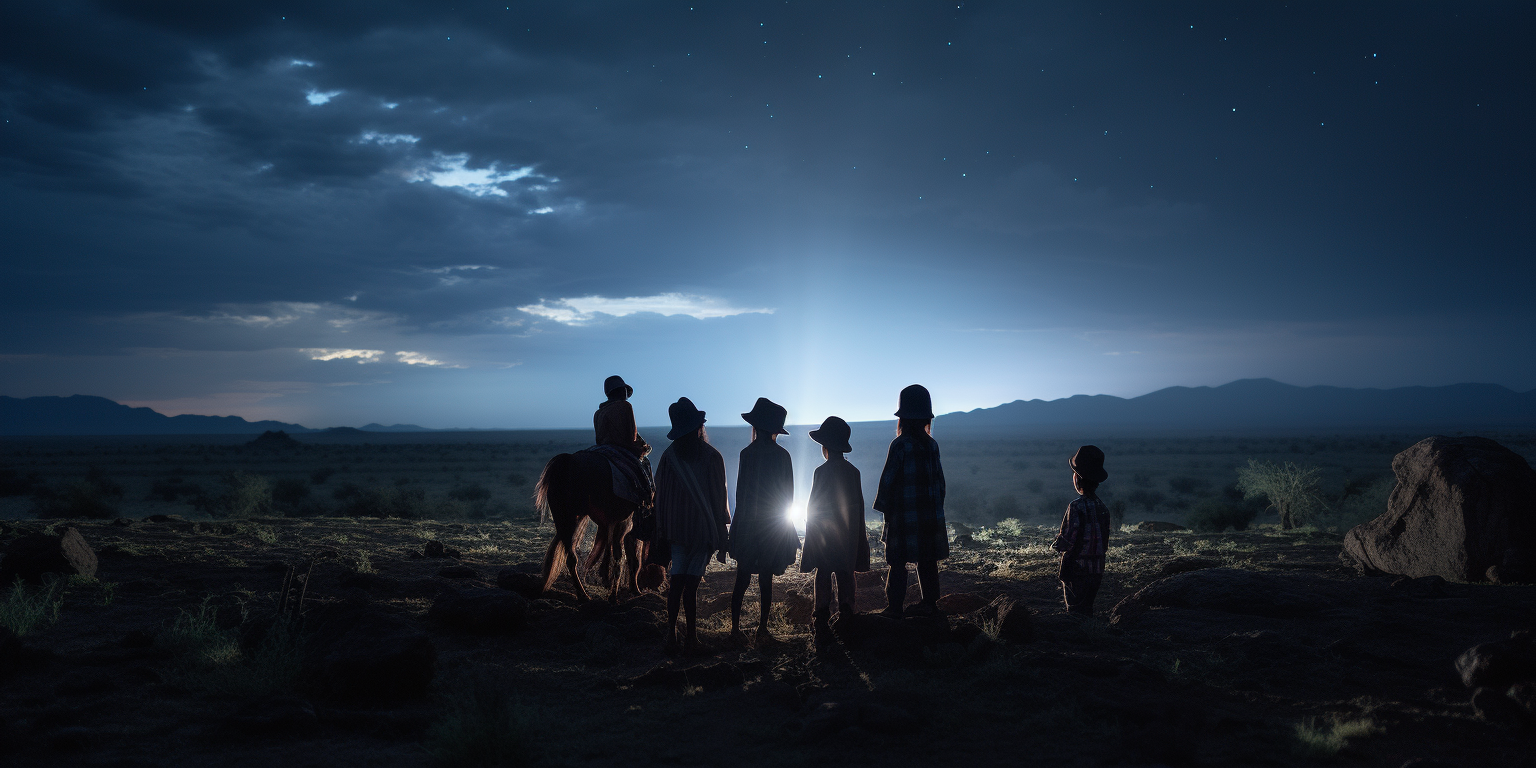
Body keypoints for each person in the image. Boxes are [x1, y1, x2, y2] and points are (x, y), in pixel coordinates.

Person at [653, 397, 730, 654]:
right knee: (692, 585)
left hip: (675, 532)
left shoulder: (667, 457)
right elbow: (720, 502)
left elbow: (659, 498)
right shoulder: (712, 457)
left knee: (677, 583)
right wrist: (722, 537)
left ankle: (672, 633)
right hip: (702, 532)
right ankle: (692, 638)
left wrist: (662, 532)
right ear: (699, 426)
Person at [728, 398, 801, 644]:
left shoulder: (746, 454)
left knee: (743, 576)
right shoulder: (783, 456)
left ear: (756, 427)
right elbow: (788, 497)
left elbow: (740, 495)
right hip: (772, 526)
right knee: (766, 578)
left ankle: (735, 628)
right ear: (775, 430)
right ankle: (762, 629)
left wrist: (736, 528)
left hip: (748, 524)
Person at [874, 384, 948, 618]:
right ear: (927, 417)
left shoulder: (899, 445)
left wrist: (885, 509)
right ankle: (930, 605)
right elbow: (940, 482)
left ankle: (895, 607)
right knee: (927, 561)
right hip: (929, 517)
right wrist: (936, 508)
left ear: (902, 418)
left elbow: (887, 481)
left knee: (897, 562)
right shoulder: (932, 445)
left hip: (903, 517)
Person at [801, 416, 870, 642]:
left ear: (825, 446)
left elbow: (813, 506)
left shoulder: (820, 472)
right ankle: (847, 613)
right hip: (847, 536)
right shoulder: (854, 472)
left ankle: (821, 615)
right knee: (845, 573)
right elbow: (857, 509)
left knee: (823, 573)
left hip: (824, 536)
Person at [1051, 445, 1112, 616]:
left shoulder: (1076, 506)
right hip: (1097, 568)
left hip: (1077, 568)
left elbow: (1068, 540)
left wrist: (1057, 545)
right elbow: (1104, 542)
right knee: (1087, 608)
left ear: (1077, 479)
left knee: (1074, 609)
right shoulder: (1103, 508)